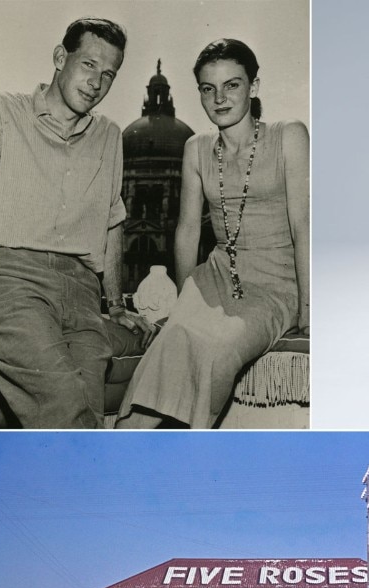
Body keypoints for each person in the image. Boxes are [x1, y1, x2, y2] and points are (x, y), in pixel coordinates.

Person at [116, 38, 309, 429]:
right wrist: (187, 296)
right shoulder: (195, 147)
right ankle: (122, 450)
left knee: (216, 347)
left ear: (253, 87)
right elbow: (187, 230)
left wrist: (307, 309)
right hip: (216, 276)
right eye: (208, 88)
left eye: (232, 85)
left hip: (276, 283)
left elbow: (303, 226)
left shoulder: (289, 136)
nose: (219, 98)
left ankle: (191, 453)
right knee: (170, 341)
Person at [0, 17, 151, 429]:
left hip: (81, 292)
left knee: (86, 406)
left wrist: (114, 305)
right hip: (9, 278)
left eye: (109, 74)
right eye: (89, 64)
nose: (97, 82)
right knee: (65, 408)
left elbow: (113, 222)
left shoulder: (110, 135)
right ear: (61, 57)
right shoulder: (0, 110)